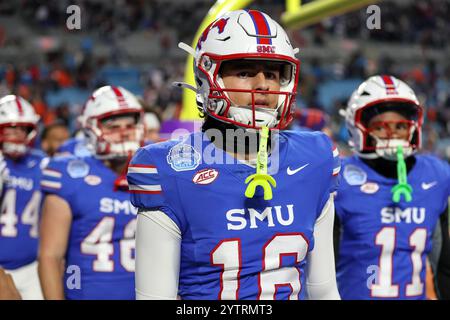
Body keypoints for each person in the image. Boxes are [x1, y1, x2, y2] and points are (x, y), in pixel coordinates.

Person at [129, 10, 340, 300]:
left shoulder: (315, 158)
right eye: (244, 72)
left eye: (274, 73)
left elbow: (324, 290)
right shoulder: (169, 169)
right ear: (208, 77)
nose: (263, 84)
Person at [335, 75, 450, 299]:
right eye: (381, 127)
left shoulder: (436, 176)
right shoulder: (339, 179)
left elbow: (444, 264)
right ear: (357, 127)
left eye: (399, 125)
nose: (393, 133)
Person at [38, 86, 144, 299]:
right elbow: (51, 257)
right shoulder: (68, 174)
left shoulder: (155, 170)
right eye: (113, 126)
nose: (124, 132)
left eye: (129, 125)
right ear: (90, 130)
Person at [0, 95, 45, 299]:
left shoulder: (44, 164)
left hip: (32, 267)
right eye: (10, 128)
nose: (16, 134)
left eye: (21, 128)